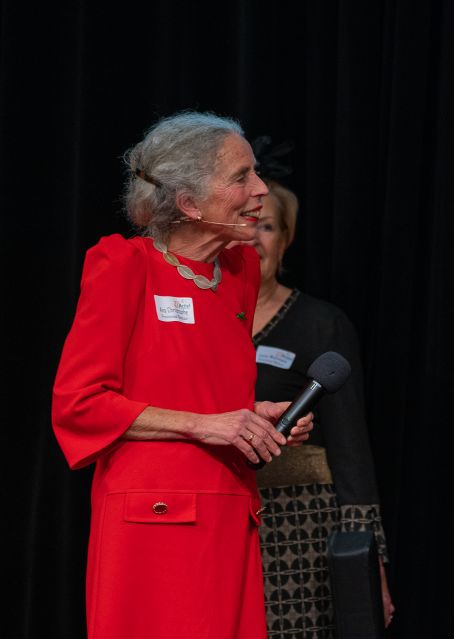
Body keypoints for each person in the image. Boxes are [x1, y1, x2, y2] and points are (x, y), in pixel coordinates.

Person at [51, 112, 313, 639]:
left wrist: (252, 419)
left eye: (255, 173)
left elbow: (202, 394)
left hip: (230, 510)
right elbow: (79, 403)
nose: (261, 189)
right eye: (241, 177)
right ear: (190, 203)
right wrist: (205, 425)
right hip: (154, 520)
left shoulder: (237, 272)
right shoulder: (125, 266)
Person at [246, 137, 395, 637]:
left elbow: (352, 452)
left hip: (300, 528)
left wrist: (369, 557)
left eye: (267, 226)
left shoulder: (321, 324)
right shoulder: (204, 320)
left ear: (286, 239)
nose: (254, 238)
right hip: (221, 517)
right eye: (247, 224)